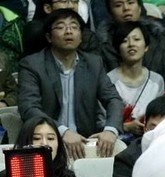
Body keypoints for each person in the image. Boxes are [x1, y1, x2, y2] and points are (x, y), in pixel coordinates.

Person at [18, 9, 123, 159]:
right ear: (49, 37)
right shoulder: (32, 65)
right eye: (61, 27)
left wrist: (110, 130)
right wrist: (62, 132)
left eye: (74, 26)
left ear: (81, 36)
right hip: (45, 144)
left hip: (85, 143)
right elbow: (29, 108)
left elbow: (113, 99)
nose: (68, 31)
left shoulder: (94, 63)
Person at [107, 21, 165, 140]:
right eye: (124, 41)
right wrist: (126, 127)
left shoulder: (156, 80)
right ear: (117, 49)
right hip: (116, 142)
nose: (131, 44)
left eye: (137, 39)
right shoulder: (108, 80)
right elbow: (100, 121)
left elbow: (161, 117)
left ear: (146, 47)